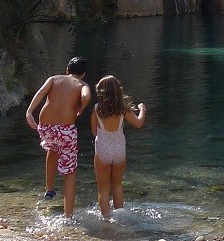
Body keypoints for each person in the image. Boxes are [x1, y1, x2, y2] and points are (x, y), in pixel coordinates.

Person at [25, 56, 91, 217]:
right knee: (70, 171)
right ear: (83, 74)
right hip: (65, 129)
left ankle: (49, 190)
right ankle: (68, 215)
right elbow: (86, 96)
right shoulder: (82, 84)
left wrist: (29, 112)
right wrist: (81, 107)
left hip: (46, 127)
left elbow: (41, 93)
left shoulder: (53, 79)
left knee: (52, 150)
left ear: (66, 70)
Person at [90, 74, 146, 220]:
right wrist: (142, 110)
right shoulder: (124, 109)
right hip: (119, 149)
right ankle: (120, 218)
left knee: (103, 189)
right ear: (117, 91)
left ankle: (107, 219)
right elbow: (139, 124)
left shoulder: (96, 109)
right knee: (117, 185)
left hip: (102, 149)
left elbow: (94, 131)